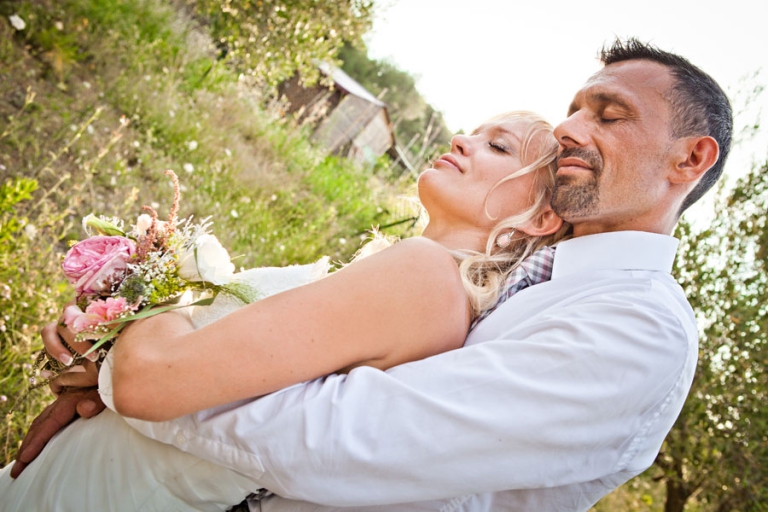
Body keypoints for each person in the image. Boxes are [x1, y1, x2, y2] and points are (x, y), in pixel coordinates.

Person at [8, 38, 733, 511]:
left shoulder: (636, 328)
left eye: (609, 115)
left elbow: (339, 439)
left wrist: (134, 371)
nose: (575, 127)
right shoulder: (520, 276)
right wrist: (125, 371)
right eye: (575, 108)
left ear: (689, 160)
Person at [0, 111, 569, 510]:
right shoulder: (428, 290)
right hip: (115, 466)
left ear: (541, 220)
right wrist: (103, 363)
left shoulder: (424, 277)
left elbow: (151, 382)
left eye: (498, 147)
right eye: (474, 130)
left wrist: (148, 291)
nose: (463, 139)